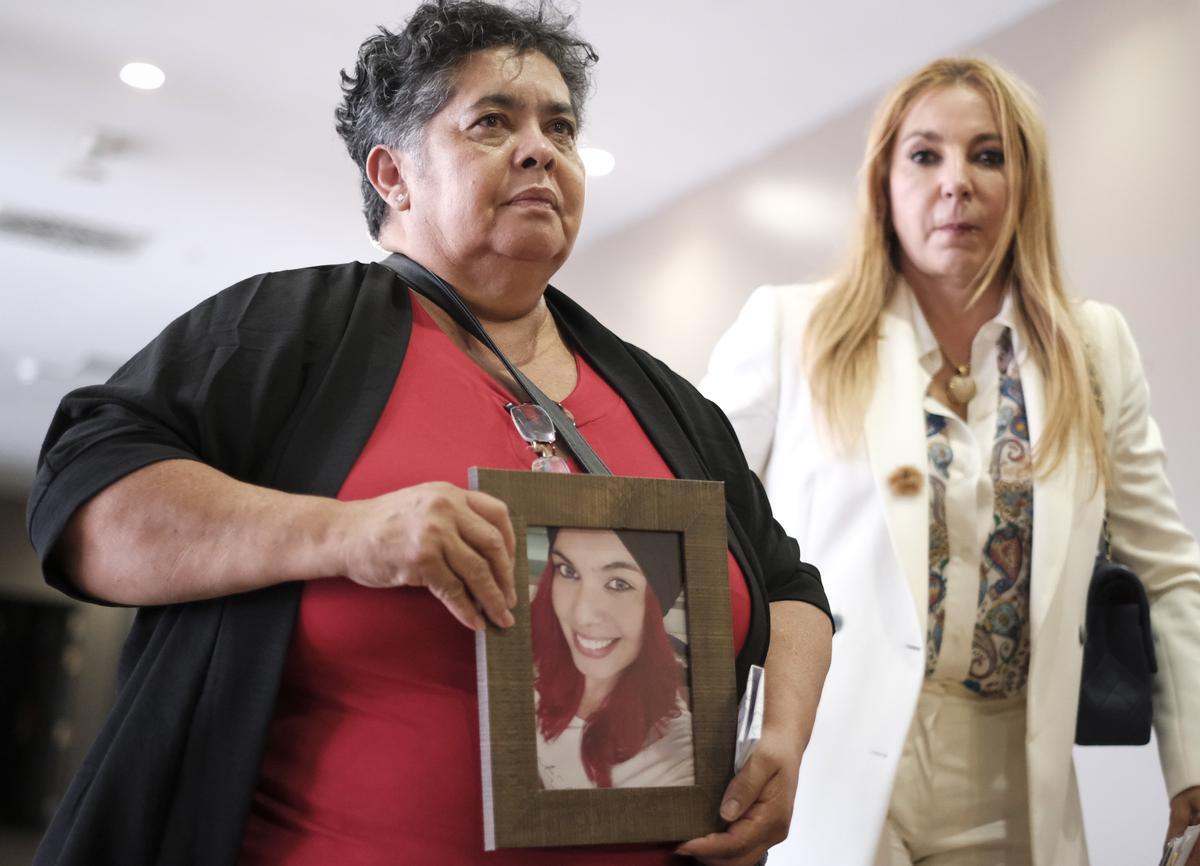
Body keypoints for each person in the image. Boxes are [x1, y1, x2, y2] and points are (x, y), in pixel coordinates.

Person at [25, 2, 833, 865]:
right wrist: (350, 534)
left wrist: (780, 740)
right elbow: (82, 504)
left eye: (559, 127)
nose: (540, 148)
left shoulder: (664, 400)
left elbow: (789, 587)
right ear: (392, 175)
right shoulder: (289, 332)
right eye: (491, 122)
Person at [700, 56, 1200, 866]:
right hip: (829, 757)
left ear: (1023, 183)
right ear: (884, 182)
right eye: (925, 155)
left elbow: (1168, 572)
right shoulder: (792, 329)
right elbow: (694, 532)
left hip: (1014, 772)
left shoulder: (1093, 348)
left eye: (988, 155)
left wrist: (1194, 769)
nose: (956, 182)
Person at [533, 527, 694, 790]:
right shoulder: (535, 667)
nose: (582, 615)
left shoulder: (675, 764)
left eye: (619, 584)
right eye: (568, 571)